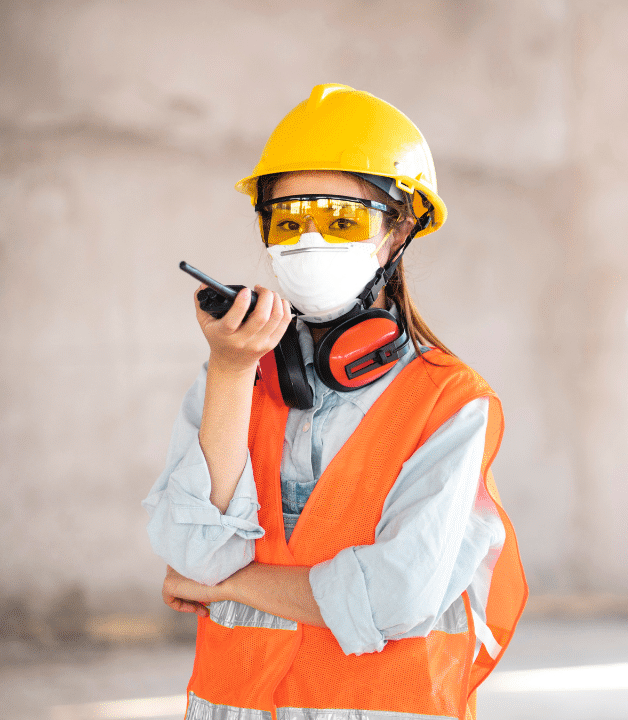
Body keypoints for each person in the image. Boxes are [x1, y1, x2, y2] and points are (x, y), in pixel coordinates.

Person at [143, 84, 526, 720]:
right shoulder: (238, 375)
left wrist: (231, 584)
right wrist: (233, 370)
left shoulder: (450, 403)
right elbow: (192, 554)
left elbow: (395, 597)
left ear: (399, 230)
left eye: (340, 220)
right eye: (288, 221)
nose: (309, 240)